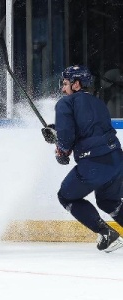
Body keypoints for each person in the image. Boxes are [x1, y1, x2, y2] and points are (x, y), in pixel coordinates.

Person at [41, 65, 123, 253]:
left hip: (94, 163)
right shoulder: (97, 102)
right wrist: (58, 132)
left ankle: (106, 234)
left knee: (66, 196)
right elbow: (87, 129)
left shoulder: (65, 103)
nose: (63, 88)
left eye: (66, 83)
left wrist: (60, 148)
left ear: (76, 85)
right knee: (109, 201)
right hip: (117, 160)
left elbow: (67, 140)